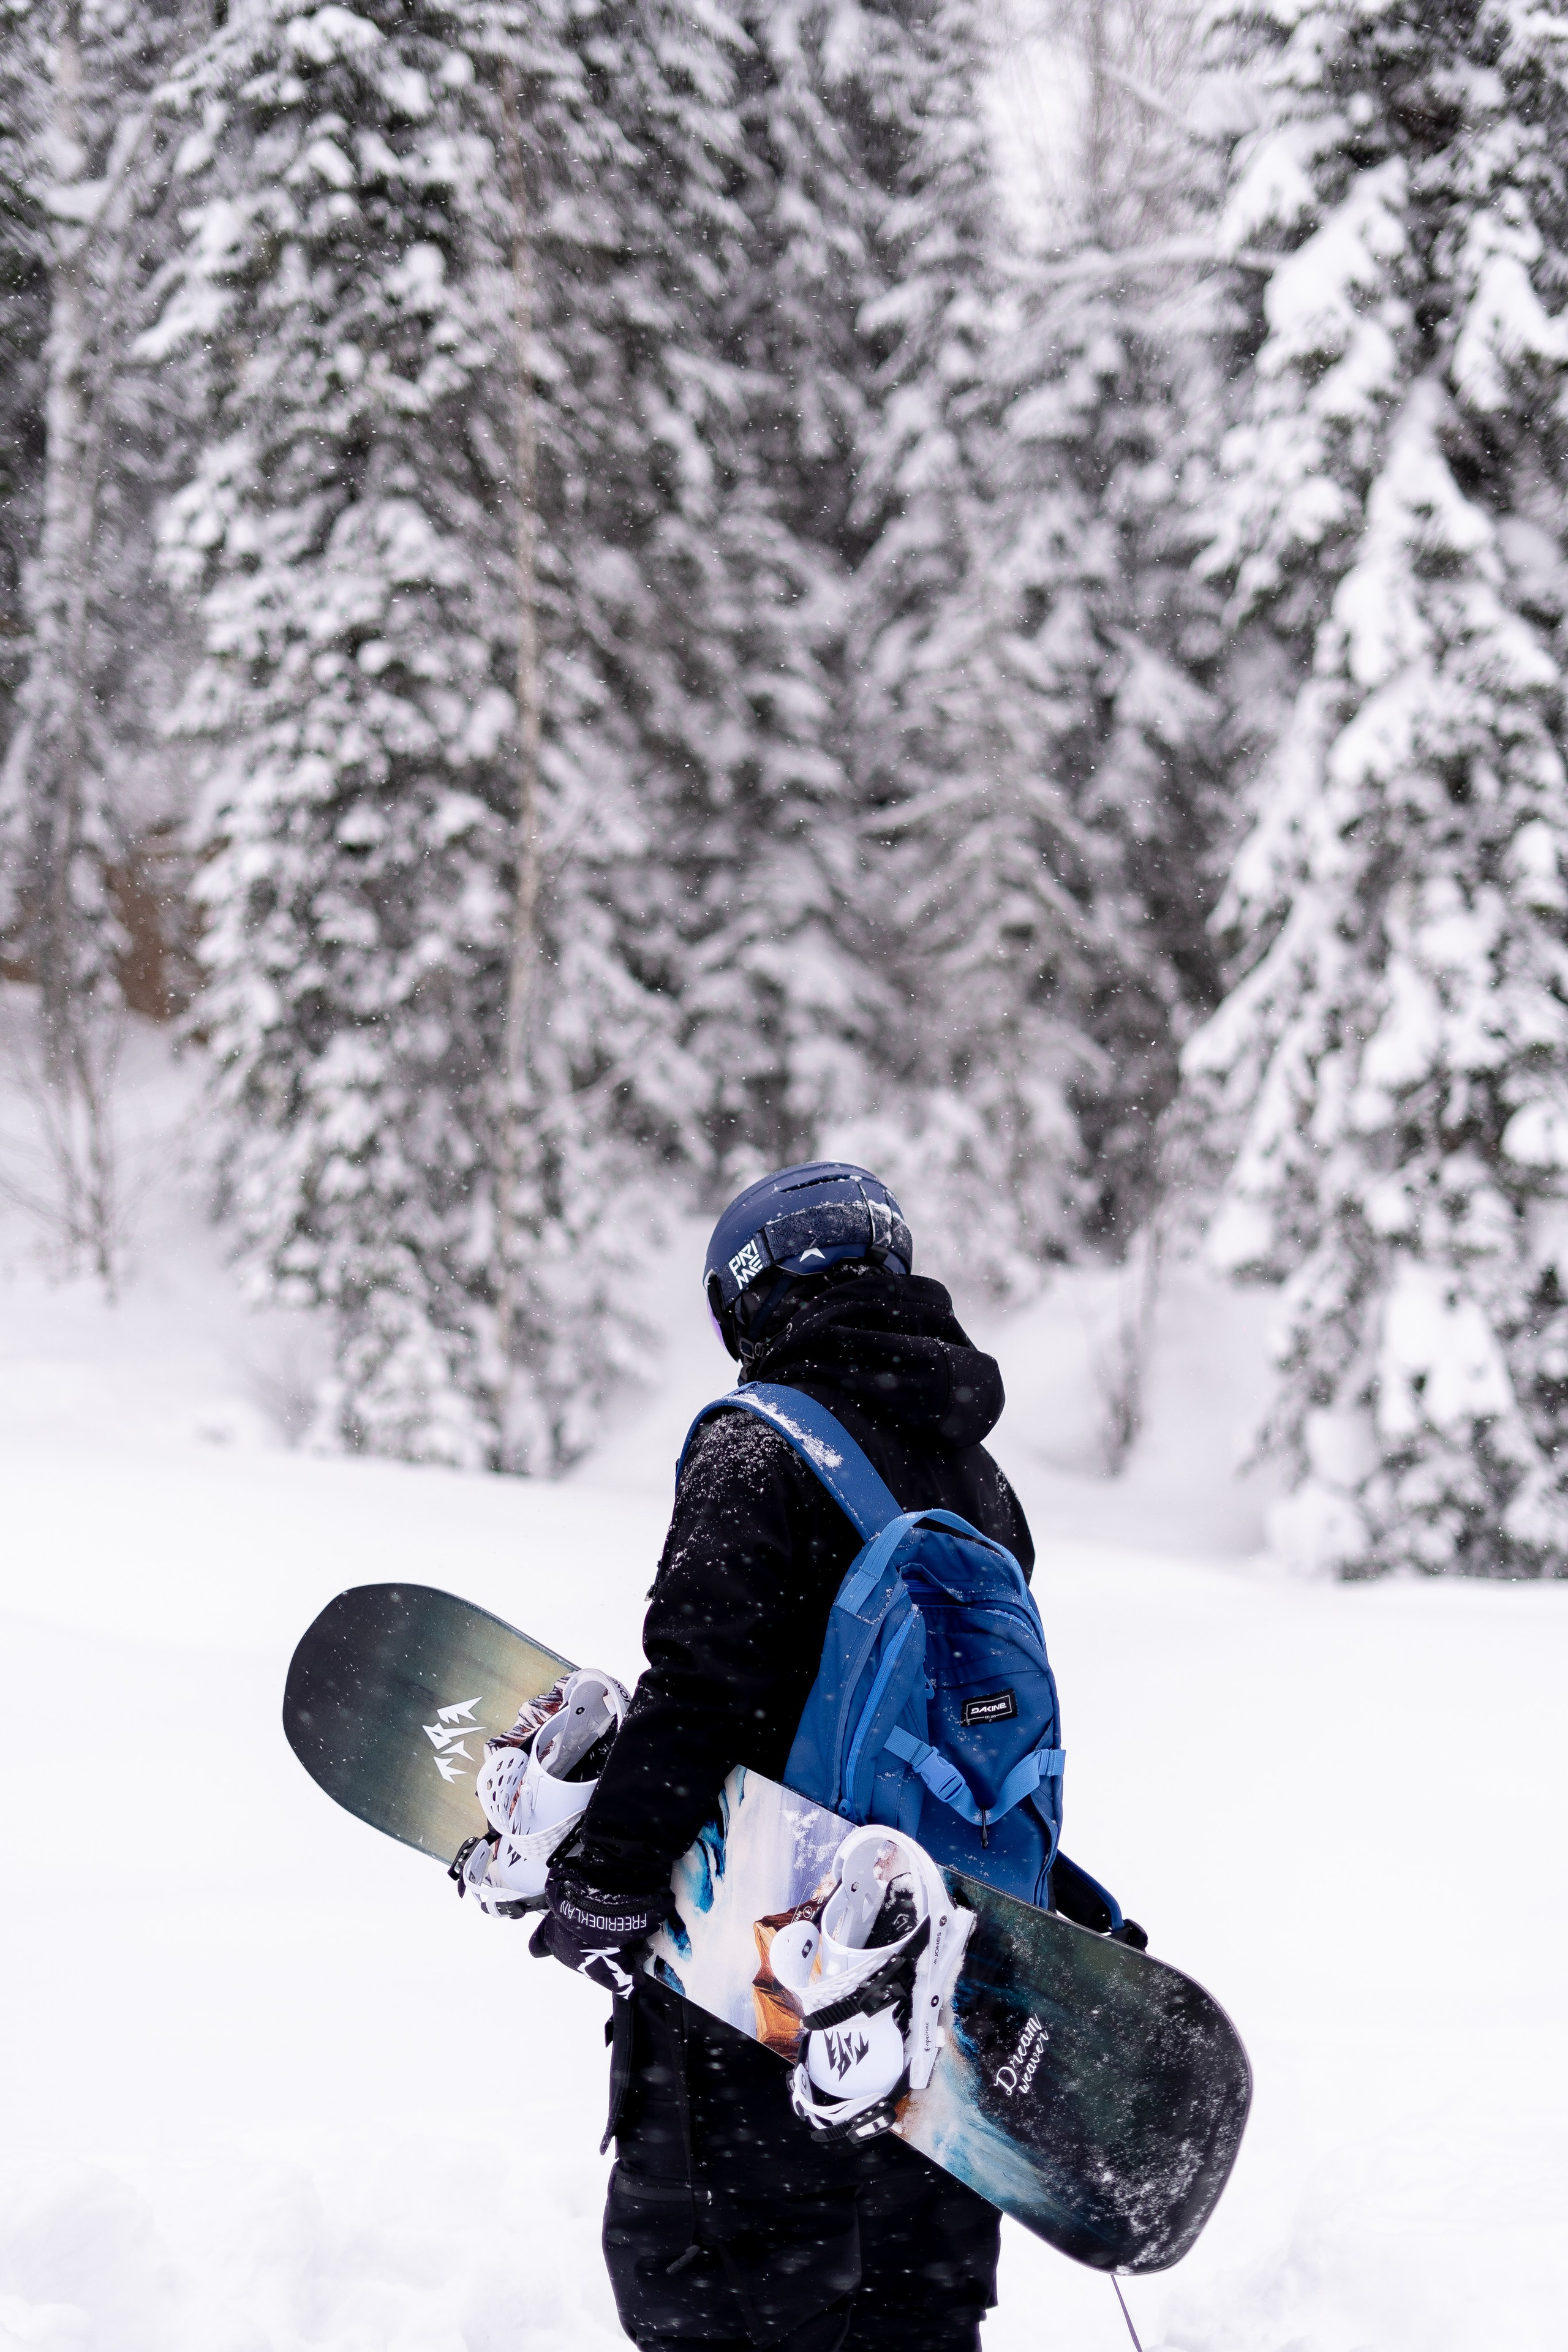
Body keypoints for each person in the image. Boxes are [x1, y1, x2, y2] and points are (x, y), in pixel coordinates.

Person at [530, 1163, 1035, 2352]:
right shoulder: (979, 1474)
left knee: (717, 2294)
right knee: (910, 2312)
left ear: (743, 1304)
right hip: (924, 1987)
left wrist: (605, 1876)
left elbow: (702, 1690)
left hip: (763, 1988)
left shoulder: (757, 1449)